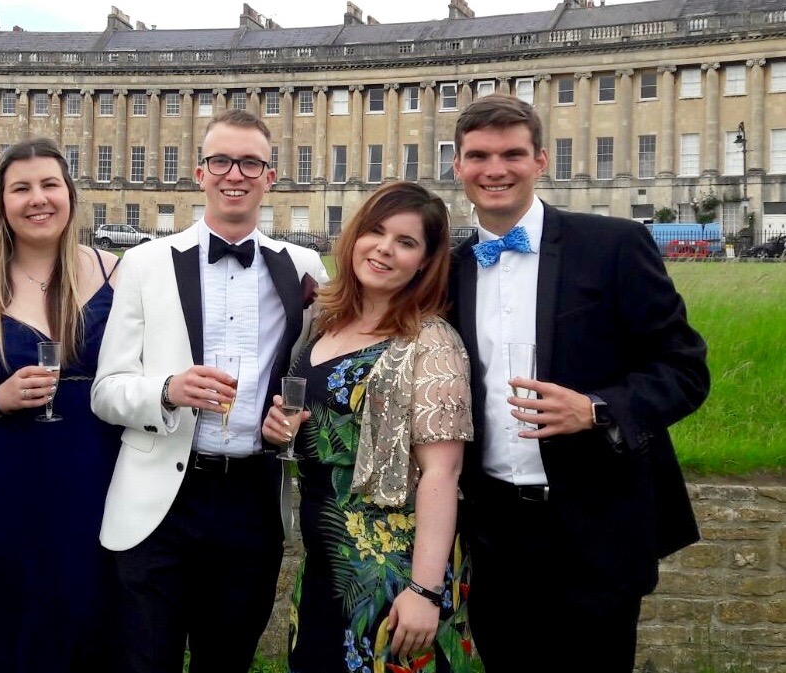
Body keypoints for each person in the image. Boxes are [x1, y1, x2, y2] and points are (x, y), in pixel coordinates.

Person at [447, 94, 709, 672]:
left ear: (541, 160)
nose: (496, 169)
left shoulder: (613, 245)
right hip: (494, 532)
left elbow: (685, 368)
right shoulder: (450, 267)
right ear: (459, 166)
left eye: (513, 153)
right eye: (479, 156)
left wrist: (598, 409)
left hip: (597, 527)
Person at [91, 108, 329, 673]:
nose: (235, 174)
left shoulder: (304, 267)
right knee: (145, 660)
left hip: (253, 499)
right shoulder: (145, 263)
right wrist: (168, 389)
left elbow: (316, 381)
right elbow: (106, 391)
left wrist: (296, 421)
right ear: (199, 173)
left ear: (271, 177)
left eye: (251, 162)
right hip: (160, 501)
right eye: (221, 160)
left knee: (228, 660)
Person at [261, 181, 474, 672]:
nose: (384, 249)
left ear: (424, 261)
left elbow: (443, 473)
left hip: (393, 569)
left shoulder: (431, 341)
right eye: (376, 232)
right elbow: (321, 423)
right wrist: (282, 428)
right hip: (325, 562)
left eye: (406, 242)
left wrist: (424, 590)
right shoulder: (323, 322)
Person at [0, 138, 122, 672]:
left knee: (100, 633)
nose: (37, 199)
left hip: (101, 486)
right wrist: (0, 397)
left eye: (50, 185)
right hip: (6, 496)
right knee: (14, 639)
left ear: (70, 195)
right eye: (21, 188)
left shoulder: (119, 274)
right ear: (1, 203)